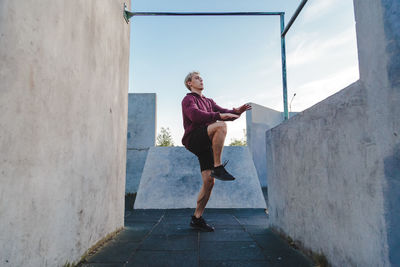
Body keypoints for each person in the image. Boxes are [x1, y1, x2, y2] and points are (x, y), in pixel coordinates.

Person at [181, 71, 251, 232]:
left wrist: (238, 111)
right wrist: (220, 115)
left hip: (205, 144)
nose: (201, 80)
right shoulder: (188, 99)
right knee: (220, 125)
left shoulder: (209, 101)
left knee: (209, 182)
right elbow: (196, 116)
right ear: (189, 83)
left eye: (201, 78)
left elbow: (228, 113)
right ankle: (218, 166)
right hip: (194, 138)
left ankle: (196, 218)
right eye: (197, 78)